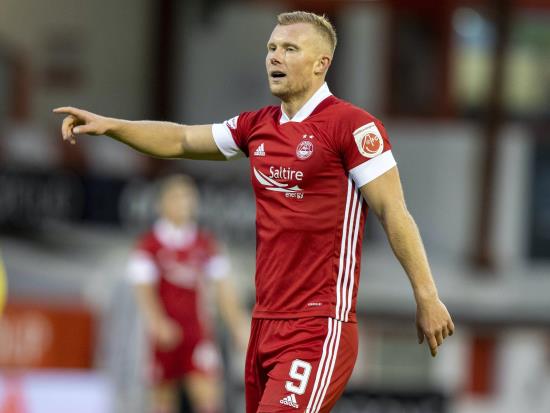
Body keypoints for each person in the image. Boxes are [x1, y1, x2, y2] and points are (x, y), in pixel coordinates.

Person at [54, 11, 455, 413]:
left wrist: (427, 296)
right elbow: (180, 140)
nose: (274, 57)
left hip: (318, 325)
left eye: (289, 49)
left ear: (321, 64)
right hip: (264, 324)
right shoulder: (256, 126)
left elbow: (393, 211)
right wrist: (111, 125)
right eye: (271, 48)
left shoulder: (353, 127)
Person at [126, 174, 249, 413]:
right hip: (164, 336)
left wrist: (238, 326)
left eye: (188, 196)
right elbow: (143, 290)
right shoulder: (149, 245)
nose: (184, 202)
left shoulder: (205, 244)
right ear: (162, 203)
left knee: (208, 399)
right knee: (163, 402)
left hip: (197, 333)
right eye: (177, 196)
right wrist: (157, 322)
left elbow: (223, 289)